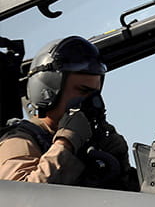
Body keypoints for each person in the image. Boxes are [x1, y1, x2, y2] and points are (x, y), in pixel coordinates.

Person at [0, 36, 134, 188]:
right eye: (82, 91)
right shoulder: (19, 141)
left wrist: (119, 162)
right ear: (48, 91)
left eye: (95, 94)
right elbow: (21, 198)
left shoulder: (90, 142)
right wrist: (67, 141)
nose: (92, 102)